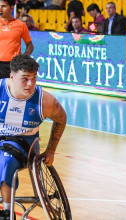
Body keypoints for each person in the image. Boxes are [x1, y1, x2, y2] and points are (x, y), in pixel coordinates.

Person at [0, 54, 67, 218]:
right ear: (12, 77)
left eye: (34, 78)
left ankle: (8, 213)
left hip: (24, 145)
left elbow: (61, 119)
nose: (30, 84)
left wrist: (50, 150)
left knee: (5, 160)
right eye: (25, 78)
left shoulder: (44, 101)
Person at [0, 0, 34, 79]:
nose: (0, 9)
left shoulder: (20, 25)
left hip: (13, 65)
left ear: (12, 7)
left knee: (12, 90)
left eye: (3, 6)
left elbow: (30, 45)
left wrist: (23, 58)